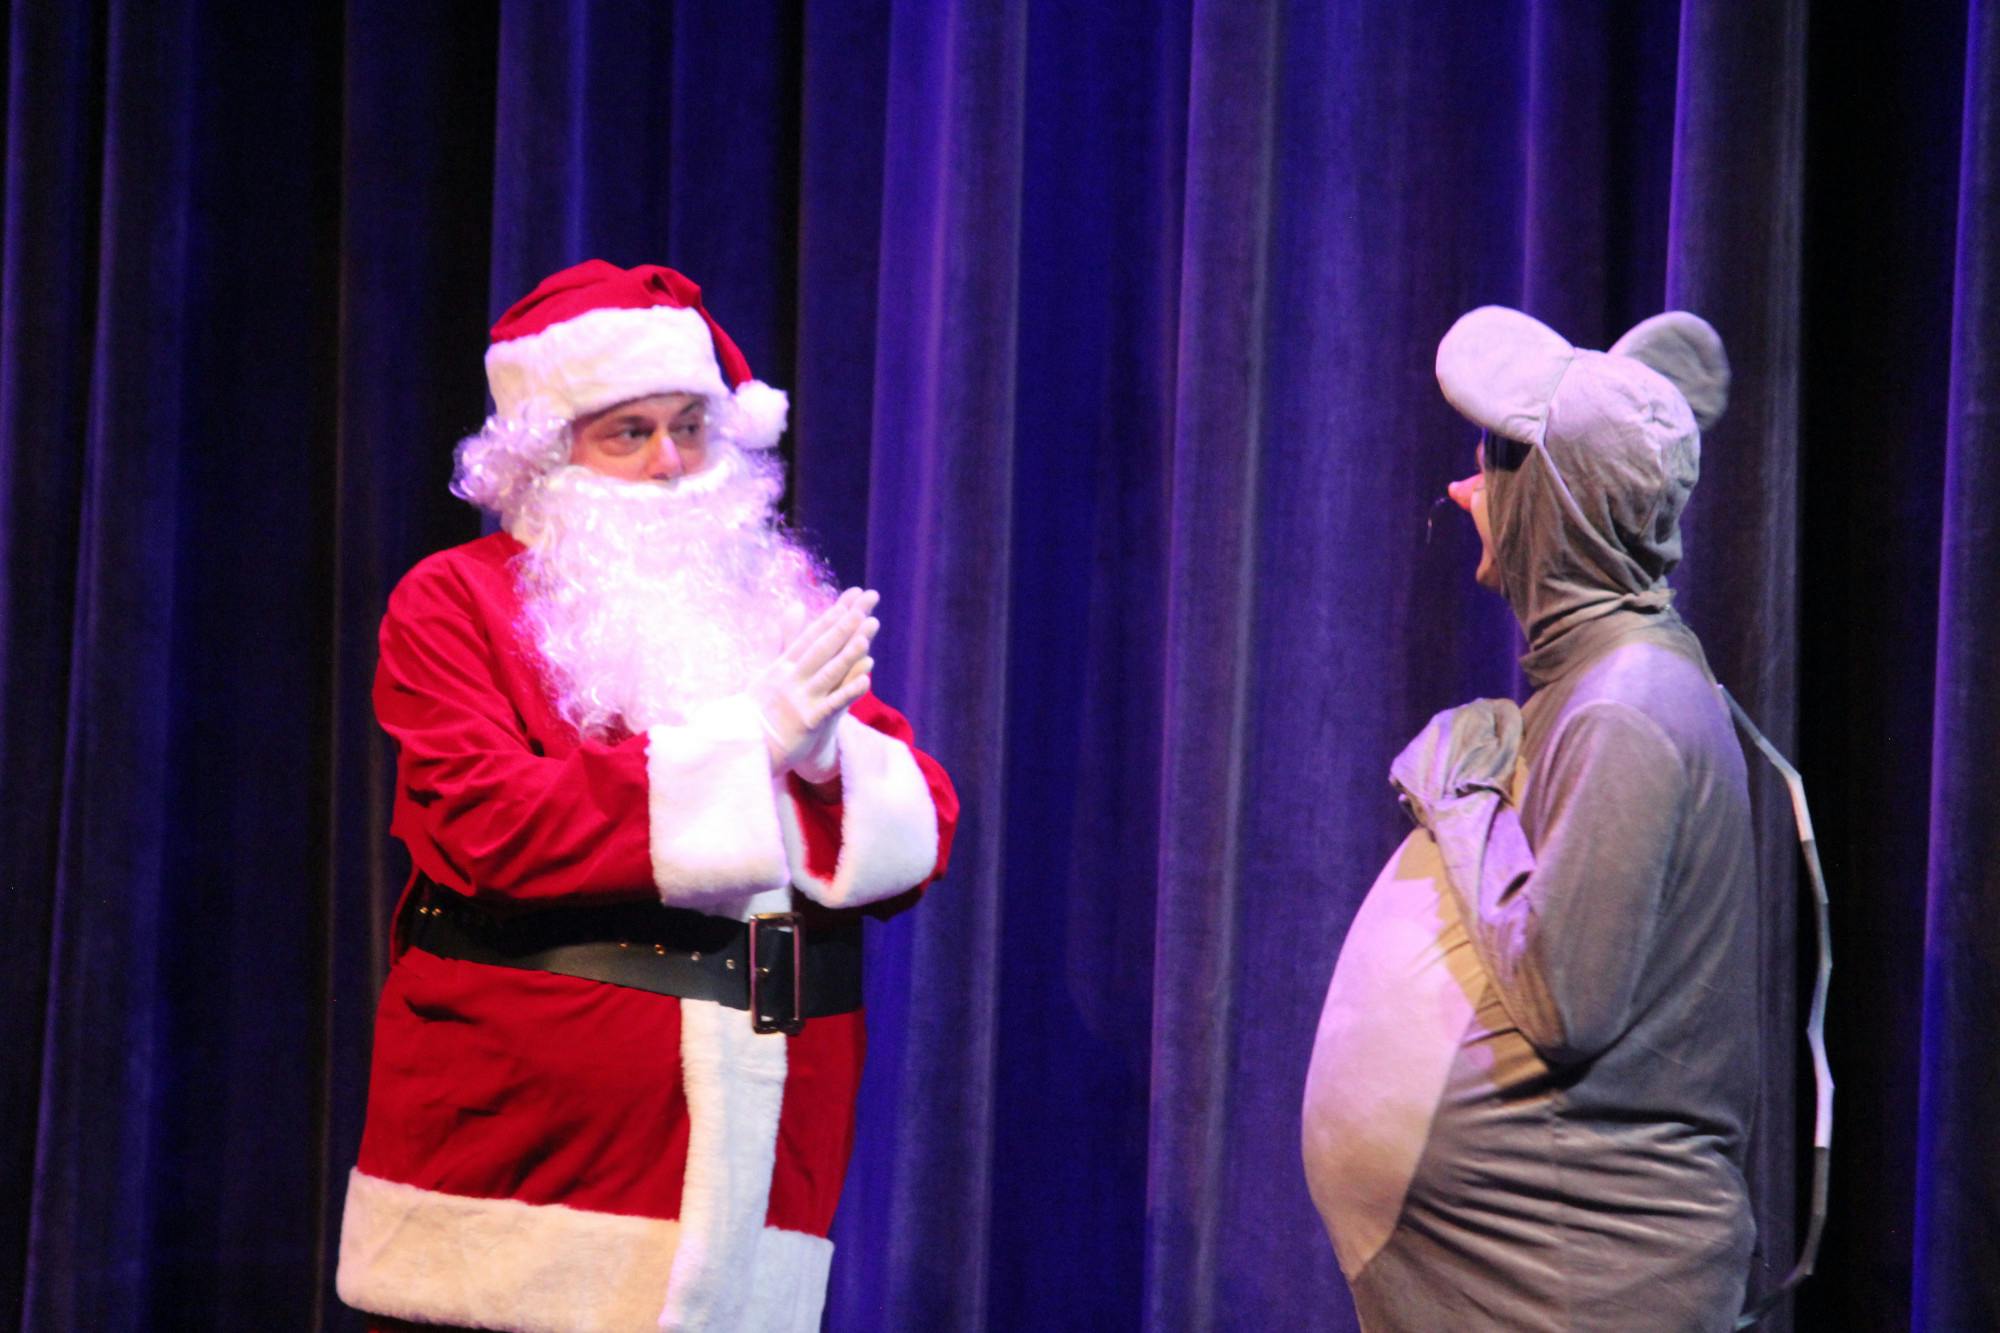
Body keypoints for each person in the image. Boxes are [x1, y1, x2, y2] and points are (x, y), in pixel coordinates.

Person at [335, 260, 958, 1333]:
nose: (671, 463)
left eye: (690, 427)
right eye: (627, 432)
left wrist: (817, 762)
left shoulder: (762, 595)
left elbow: (922, 826)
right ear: (545, 454)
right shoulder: (453, 602)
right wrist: (747, 743)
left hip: (769, 1132)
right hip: (535, 1149)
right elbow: (493, 825)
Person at [1303, 307, 1757, 1330]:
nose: (1464, 493)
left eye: (1492, 475)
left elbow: (1563, 996)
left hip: (1578, 1287)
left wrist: (1460, 801)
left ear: (1552, 508)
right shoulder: (1597, 684)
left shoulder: (1629, 706)